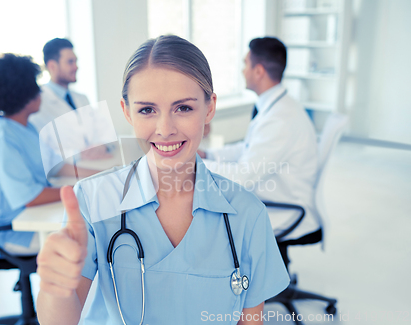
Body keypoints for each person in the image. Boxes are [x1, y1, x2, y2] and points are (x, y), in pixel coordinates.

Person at [36, 35, 290, 325]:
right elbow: (59, 321)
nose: (165, 129)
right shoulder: (93, 200)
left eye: (183, 108)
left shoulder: (247, 214)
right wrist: (55, 287)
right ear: (126, 112)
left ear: (209, 108)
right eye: (147, 110)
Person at [0, 54, 98, 258]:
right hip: (11, 230)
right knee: (85, 237)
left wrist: (101, 175)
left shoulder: (26, 127)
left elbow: (57, 166)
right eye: (35, 86)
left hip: (30, 216)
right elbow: (31, 198)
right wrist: (80, 191)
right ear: (24, 95)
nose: (40, 91)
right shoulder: (3, 139)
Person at [199, 37, 319, 245]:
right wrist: (208, 155)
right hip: (275, 195)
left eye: (246, 64)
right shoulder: (278, 107)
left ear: (259, 71)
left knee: (205, 217)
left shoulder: (279, 120)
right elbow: (248, 148)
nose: (242, 71)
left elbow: (241, 178)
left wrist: (192, 163)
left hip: (282, 208)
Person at [29, 38, 114, 161]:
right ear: (52, 66)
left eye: (76, 61)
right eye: (70, 62)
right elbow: (42, 149)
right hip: (64, 173)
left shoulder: (82, 99)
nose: (76, 67)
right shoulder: (38, 103)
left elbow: (105, 129)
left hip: (92, 165)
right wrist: (78, 154)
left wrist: (103, 145)